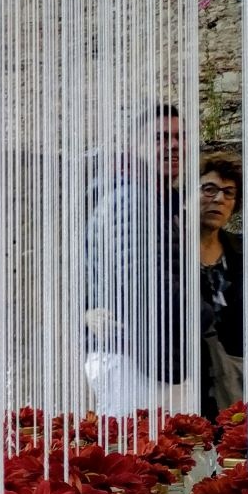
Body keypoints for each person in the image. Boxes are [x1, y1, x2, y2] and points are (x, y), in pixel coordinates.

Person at [83, 104, 192, 414]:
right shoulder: (132, 198)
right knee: (143, 456)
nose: (173, 145)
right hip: (134, 360)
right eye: (160, 137)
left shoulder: (153, 198)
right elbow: (141, 284)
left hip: (140, 355)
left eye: (179, 137)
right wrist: (203, 312)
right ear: (135, 145)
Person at [197, 155, 245, 417]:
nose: (219, 199)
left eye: (229, 193)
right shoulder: (171, 247)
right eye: (209, 189)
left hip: (234, 378)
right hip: (187, 377)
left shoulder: (245, 252)